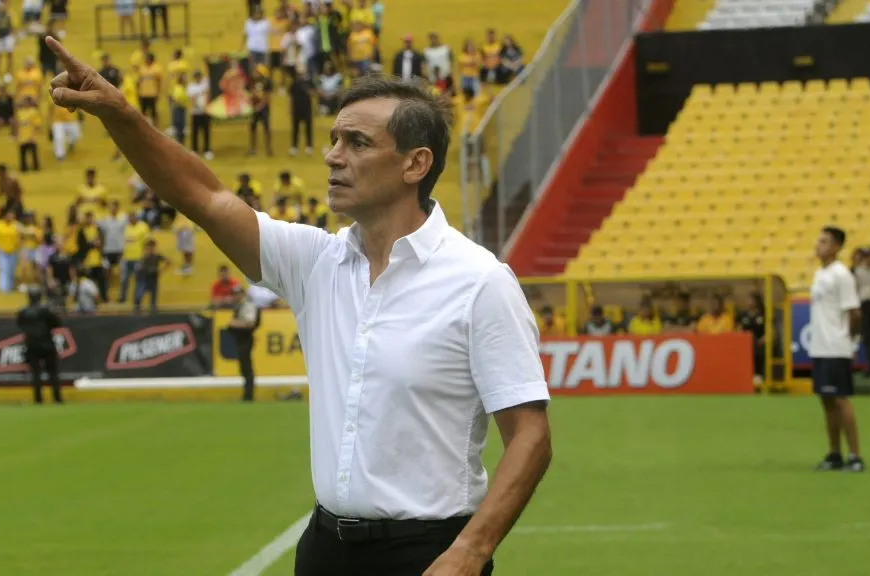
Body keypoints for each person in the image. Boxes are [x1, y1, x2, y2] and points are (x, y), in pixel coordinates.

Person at [47, 37, 551, 574]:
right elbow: (204, 197)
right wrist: (121, 114)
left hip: (427, 554)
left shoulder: (479, 281)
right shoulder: (318, 262)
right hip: (324, 549)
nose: (333, 155)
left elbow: (530, 436)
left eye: (357, 143)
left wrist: (470, 552)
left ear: (415, 164)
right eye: (334, 140)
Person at [810, 226, 865, 473]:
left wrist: (846, 339)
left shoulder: (841, 275)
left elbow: (854, 312)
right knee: (827, 401)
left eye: (824, 241)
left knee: (841, 400)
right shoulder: (819, 273)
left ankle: (855, 456)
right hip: (820, 347)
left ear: (835, 247)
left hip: (836, 347)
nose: (818, 245)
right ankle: (834, 453)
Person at [16, 286, 64, 404]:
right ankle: (57, 398)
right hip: (47, 343)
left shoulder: (23, 312)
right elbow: (57, 323)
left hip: (31, 344)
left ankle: (38, 399)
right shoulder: (46, 310)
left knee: (35, 374)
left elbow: (20, 325)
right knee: (53, 373)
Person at [228, 284, 260, 402]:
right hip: (241, 338)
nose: (235, 296)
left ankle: (248, 395)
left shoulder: (247, 305)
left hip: (246, 338)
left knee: (246, 367)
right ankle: (247, 394)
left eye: (237, 294)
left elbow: (250, 322)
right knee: (244, 367)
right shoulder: (240, 305)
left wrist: (234, 323)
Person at [852, 246, 870, 376]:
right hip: (865, 305)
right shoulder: (858, 271)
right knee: (868, 337)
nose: (868, 260)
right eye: (865, 257)